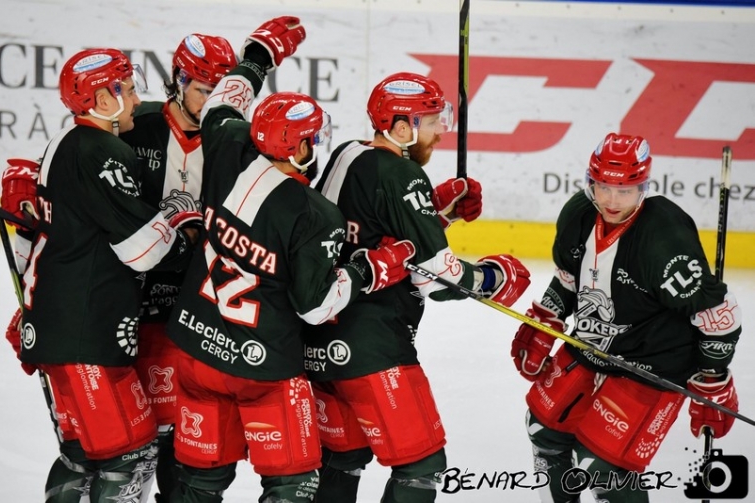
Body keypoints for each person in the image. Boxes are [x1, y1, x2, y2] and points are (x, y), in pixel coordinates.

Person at [163, 17, 416, 503]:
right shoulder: (314, 213)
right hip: (260, 367)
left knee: (199, 483)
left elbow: (222, 101)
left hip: (194, 350)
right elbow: (315, 306)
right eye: (311, 139)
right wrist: (371, 269)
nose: (315, 146)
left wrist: (257, 56)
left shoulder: (226, 146)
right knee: (295, 484)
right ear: (297, 146)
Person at [303, 71, 532, 503]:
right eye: (432, 120)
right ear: (402, 128)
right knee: (421, 467)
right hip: (373, 348)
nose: (442, 131)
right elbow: (437, 275)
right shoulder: (404, 175)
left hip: (318, 340)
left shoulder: (346, 153)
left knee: (344, 455)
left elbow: (364, 231)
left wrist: (436, 208)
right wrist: (494, 277)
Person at [0, 47, 204, 503]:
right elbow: (142, 251)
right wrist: (180, 224)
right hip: (87, 336)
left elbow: (42, 241)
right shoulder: (105, 151)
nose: (136, 100)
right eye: (127, 90)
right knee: (128, 455)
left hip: (62, 327)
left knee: (81, 454)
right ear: (102, 99)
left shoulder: (64, 140)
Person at [510, 132, 742, 502]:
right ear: (591, 181)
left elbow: (719, 317)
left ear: (643, 188)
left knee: (602, 468)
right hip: (592, 345)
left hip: (653, 363)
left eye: (625, 190)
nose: (611, 200)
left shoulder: (662, 239)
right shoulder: (578, 215)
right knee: (543, 429)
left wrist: (713, 378)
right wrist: (545, 322)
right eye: (602, 186)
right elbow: (568, 280)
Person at [118, 33, 237, 502]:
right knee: (124, 438)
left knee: (181, 438)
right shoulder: (137, 125)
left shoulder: (233, 140)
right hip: (132, 296)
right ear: (179, 81)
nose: (211, 103)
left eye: (220, 93)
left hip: (197, 302)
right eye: (203, 90)